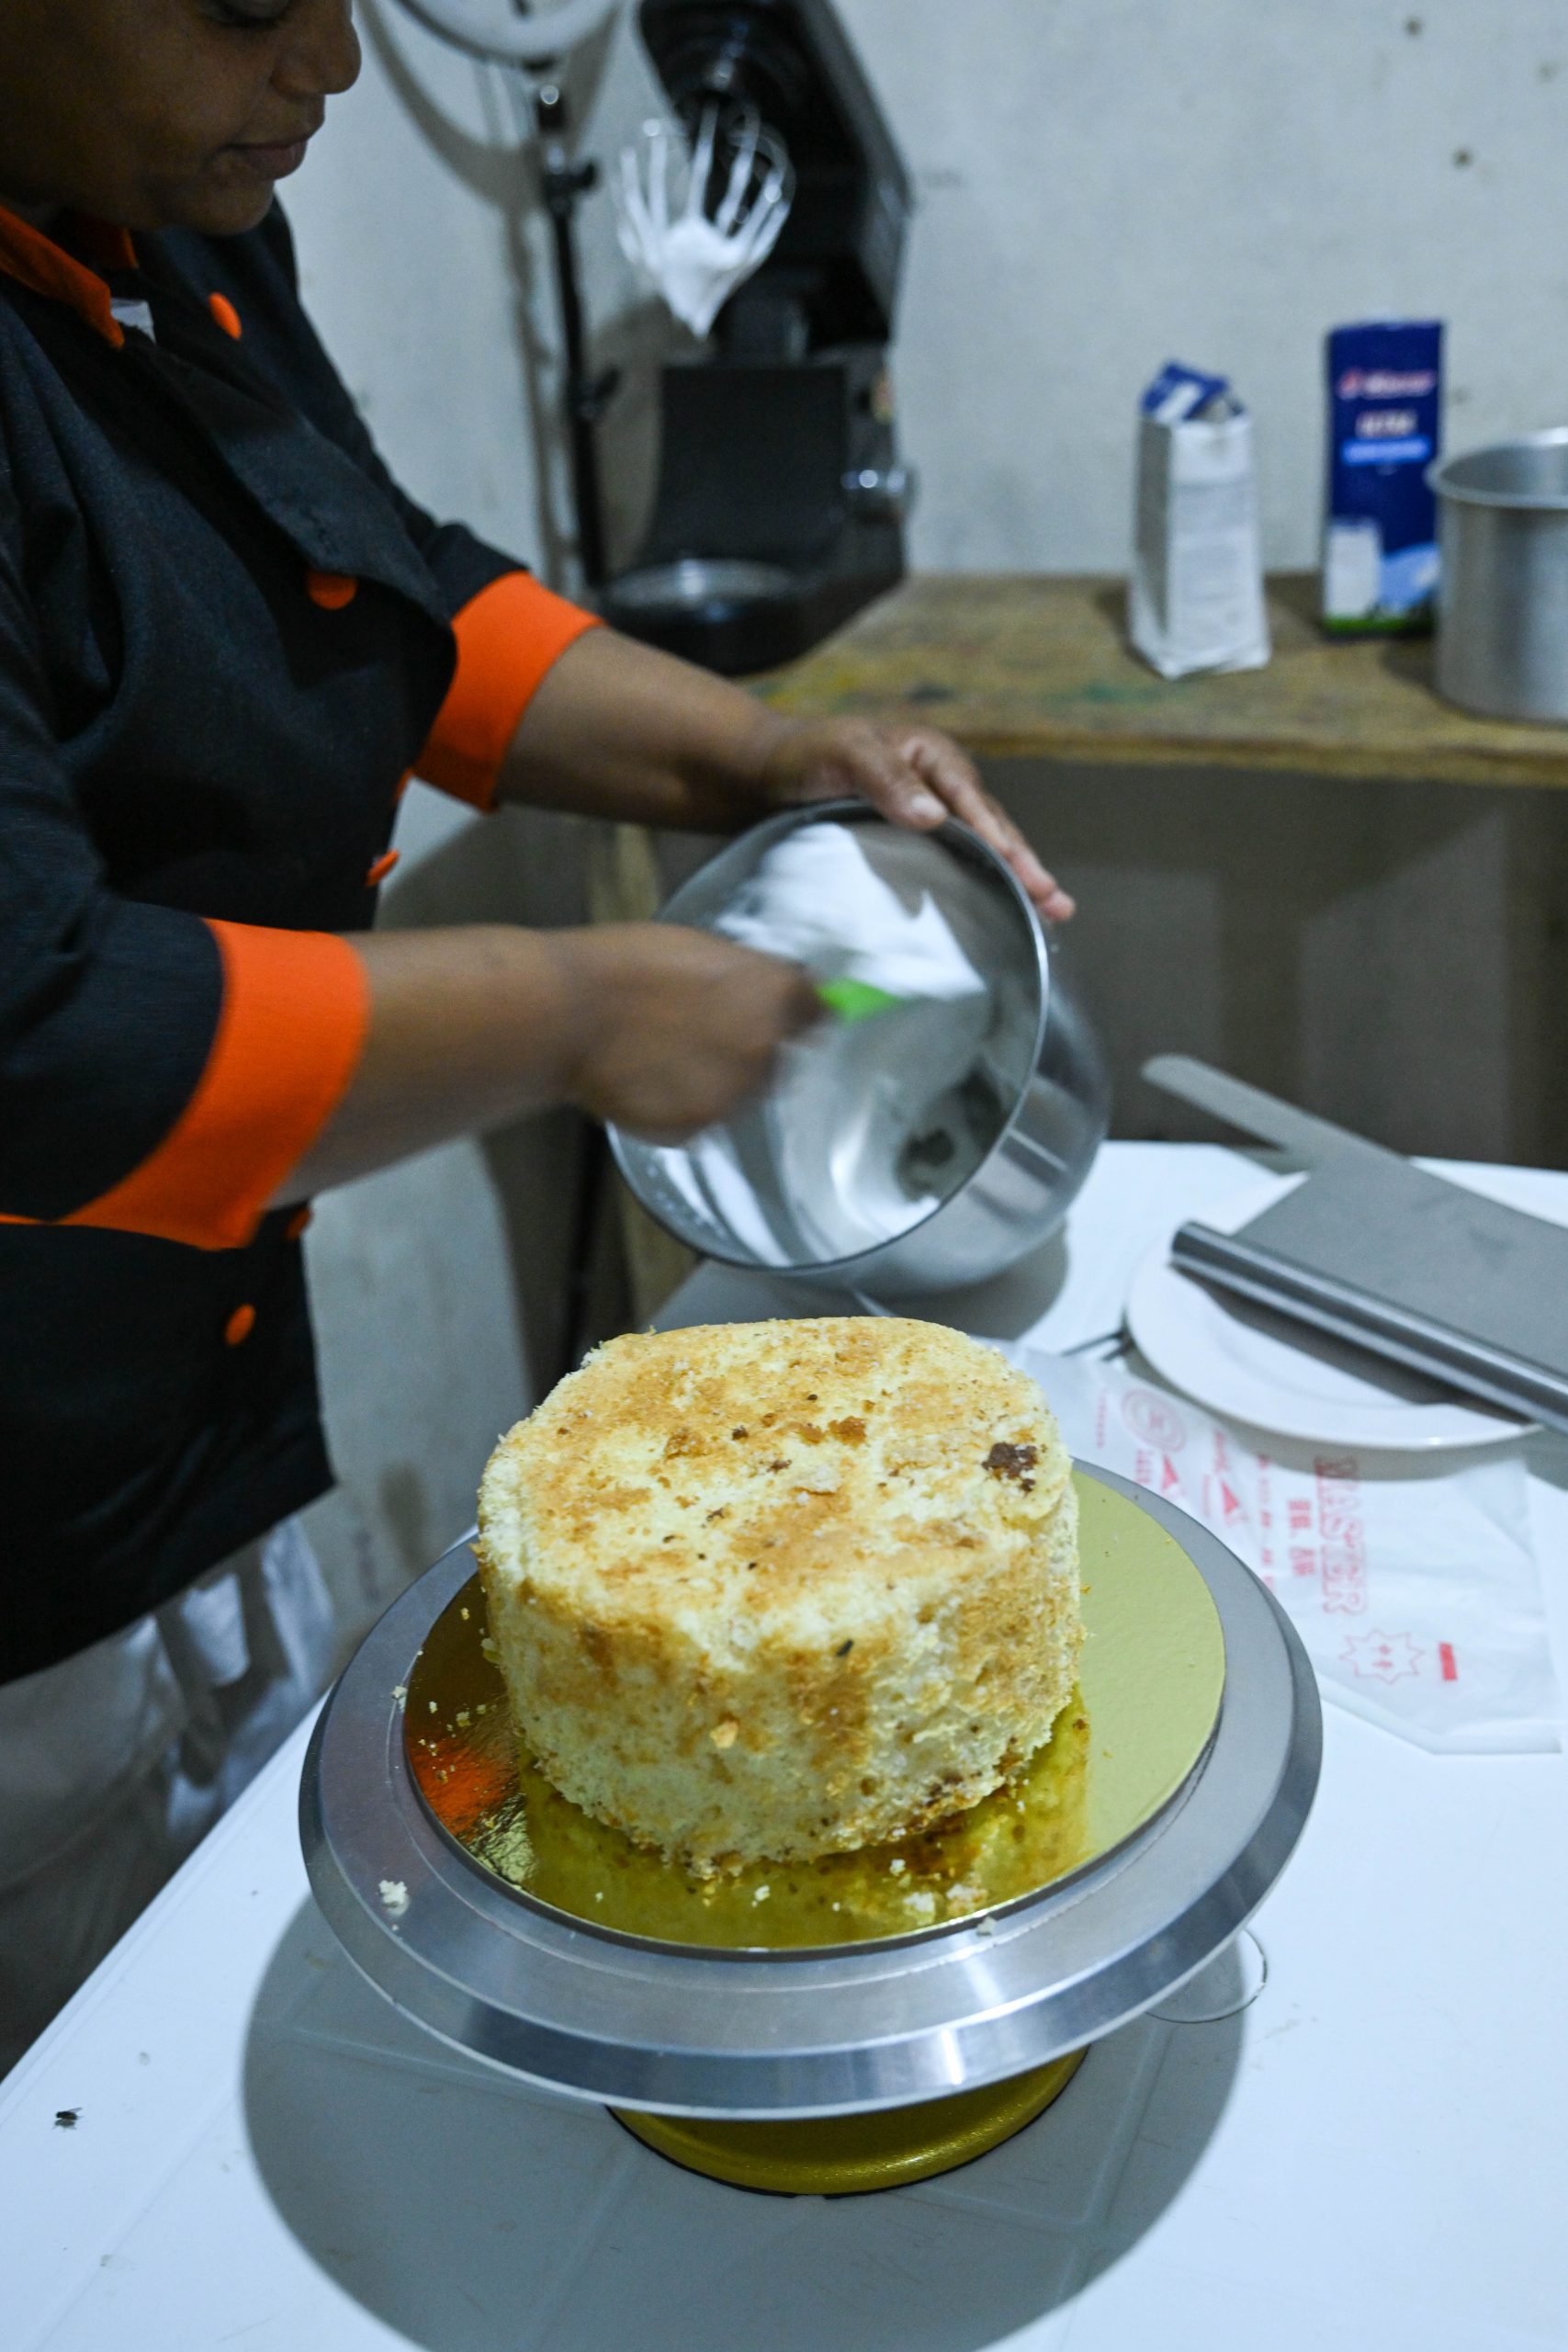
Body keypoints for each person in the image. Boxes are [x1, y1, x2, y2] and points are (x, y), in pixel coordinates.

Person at [0, 0, 1074, 2071]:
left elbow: (378, 596)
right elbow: (38, 1031)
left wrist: (752, 751)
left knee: (267, 1964)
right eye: (246, 9)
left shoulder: (164, 222)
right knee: (91, 2100)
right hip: (20, 1503)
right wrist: (574, 1010)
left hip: (194, 1372)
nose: (322, 61)